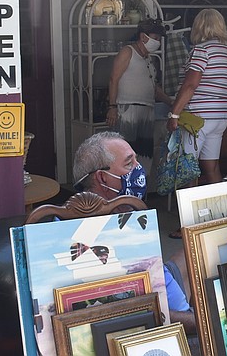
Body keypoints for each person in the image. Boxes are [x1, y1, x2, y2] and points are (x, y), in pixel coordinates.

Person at [71, 131, 197, 334]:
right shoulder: (109, 235)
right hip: (167, 317)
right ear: (102, 177)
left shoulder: (61, 221)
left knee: (192, 251)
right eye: (129, 164)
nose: (140, 170)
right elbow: (161, 314)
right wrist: (205, 323)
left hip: (158, 286)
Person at [166, 8, 227, 186]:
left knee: (188, 168)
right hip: (220, 118)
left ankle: (189, 212)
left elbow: (190, 85)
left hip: (197, 119)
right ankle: (217, 210)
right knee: (212, 167)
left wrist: (174, 114)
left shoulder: (202, 50)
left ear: (199, 27)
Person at [106, 18, 172, 168]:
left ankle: (141, 188)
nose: (158, 42)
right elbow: (113, 78)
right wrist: (112, 106)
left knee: (144, 156)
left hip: (147, 111)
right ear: (143, 37)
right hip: (127, 109)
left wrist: (171, 102)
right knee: (124, 155)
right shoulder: (128, 52)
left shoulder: (148, 59)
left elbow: (154, 89)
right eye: (155, 38)